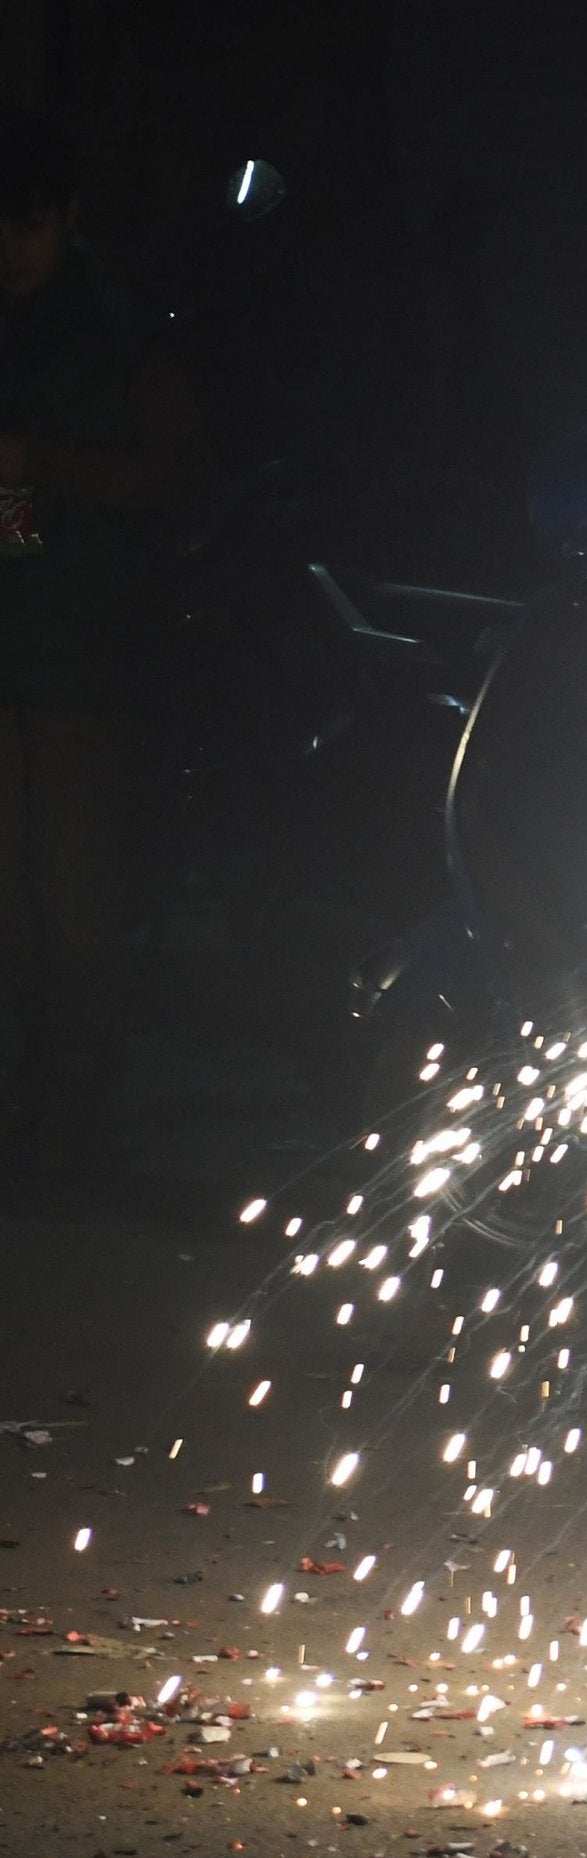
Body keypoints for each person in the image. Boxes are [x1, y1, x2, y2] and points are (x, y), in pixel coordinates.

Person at [0, 113, 204, 1155]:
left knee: (74, 879)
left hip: (80, 647)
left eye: (27, 228)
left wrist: (44, 465)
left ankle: (76, 1088)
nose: (9, 252)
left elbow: (168, 472)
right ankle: (34, 1077)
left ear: (67, 220)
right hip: (21, 635)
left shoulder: (116, 329)